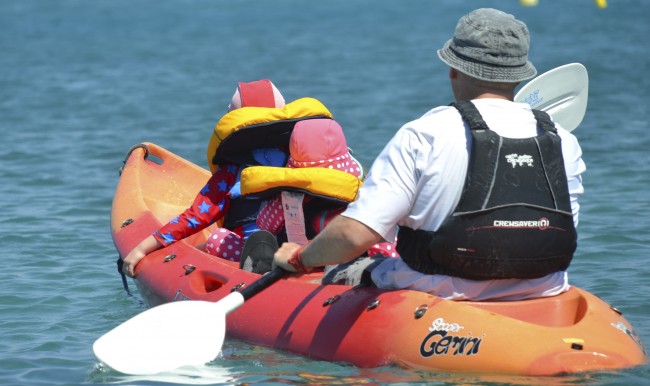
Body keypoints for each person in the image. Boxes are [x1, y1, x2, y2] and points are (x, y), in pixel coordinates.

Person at [272, 8, 586, 301]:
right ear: (518, 76)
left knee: (347, 269)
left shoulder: (423, 135)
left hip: (438, 292)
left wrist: (300, 256)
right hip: (544, 292)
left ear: (453, 70)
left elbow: (355, 235)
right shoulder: (563, 139)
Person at [122, 79, 287, 277]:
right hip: (293, 246)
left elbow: (194, 217)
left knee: (217, 239)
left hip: (244, 251)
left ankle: (256, 260)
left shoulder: (232, 172)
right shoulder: (297, 160)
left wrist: (142, 249)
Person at [242, 118, 398, 273]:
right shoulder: (359, 192)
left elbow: (265, 225)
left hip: (294, 262)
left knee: (251, 238)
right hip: (345, 258)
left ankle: (263, 269)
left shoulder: (284, 197)